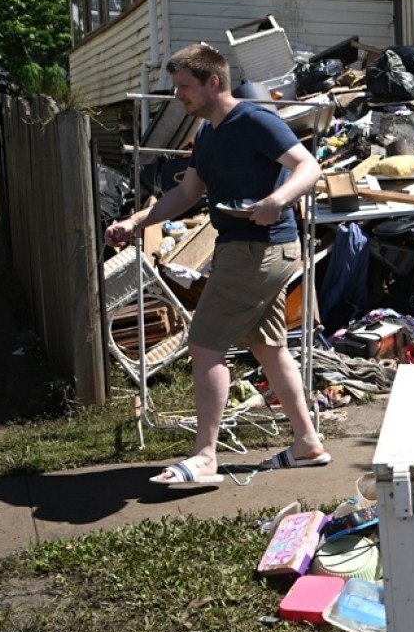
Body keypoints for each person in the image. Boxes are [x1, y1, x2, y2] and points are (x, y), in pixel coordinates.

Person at [105, 44, 329, 486]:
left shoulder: (255, 121)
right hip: (245, 248)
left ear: (213, 82)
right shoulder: (207, 133)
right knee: (268, 347)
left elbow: (309, 166)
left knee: (205, 345)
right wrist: (134, 220)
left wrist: (277, 200)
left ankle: (205, 457)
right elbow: (185, 194)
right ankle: (306, 443)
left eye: (185, 86)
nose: (177, 96)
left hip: (258, 248)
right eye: (176, 87)